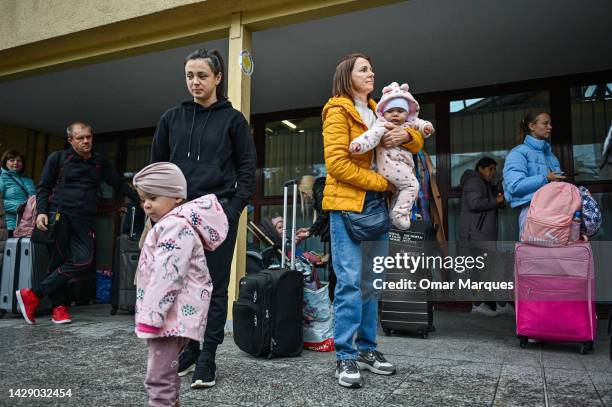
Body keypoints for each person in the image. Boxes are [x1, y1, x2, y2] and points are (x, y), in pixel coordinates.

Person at [150, 48, 256, 389]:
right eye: (189, 76)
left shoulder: (234, 120)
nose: (195, 82)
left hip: (216, 214)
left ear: (218, 78)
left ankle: (208, 354)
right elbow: (157, 170)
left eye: (202, 76)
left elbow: (247, 170)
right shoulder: (171, 118)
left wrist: (233, 209)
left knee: (213, 286)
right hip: (178, 217)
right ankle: (191, 348)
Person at [322, 53, 424, 388]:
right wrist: (384, 183)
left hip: (377, 208)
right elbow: (337, 164)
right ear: (346, 76)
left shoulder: (382, 108)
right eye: (364, 69)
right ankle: (344, 355)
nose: (372, 72)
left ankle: (367, 349)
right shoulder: (337, 109)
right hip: (348, 206)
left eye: (372, 68)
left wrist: (407, 138)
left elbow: (416, 131)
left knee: (372, 282)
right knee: (351, 283)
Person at [15, 121, 139, 325]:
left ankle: (33, 295)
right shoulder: (58, 158)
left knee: (83, 260)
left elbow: (116, 183)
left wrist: (139, 199)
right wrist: (41, 212)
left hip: (85, 219)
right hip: (59, 215)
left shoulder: (99, 162)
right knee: (57, 262)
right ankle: (59, 308)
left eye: (88, 136)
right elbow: (44, 187)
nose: (86, 141)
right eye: (80, 138)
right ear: (71, 140)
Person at [132, 162, 228, 407]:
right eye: (143, 198)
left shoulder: (174, 226)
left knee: (158, 379)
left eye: (152, 197)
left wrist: (151, 315)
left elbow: (168, 275)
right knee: (166, 375)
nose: (146, 204)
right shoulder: (172, 224)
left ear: (177, 196)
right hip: (171, 315)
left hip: (166, 317)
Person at [349, 82, 434, 229]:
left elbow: (419, 124)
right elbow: (370, 136)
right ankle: (400, 213)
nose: (395, 114)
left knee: (400, 191)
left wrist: (426, 127)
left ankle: (394, 213)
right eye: (391, 111)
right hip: (390, 165)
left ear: (407, 113)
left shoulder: (408, 124)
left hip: (401, 166)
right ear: (383, 113)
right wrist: (359, 145)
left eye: (400, 111)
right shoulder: (382, 125)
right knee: (412, 185)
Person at [459, 157, 513, 316]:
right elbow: (474, 204)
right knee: (486, 269)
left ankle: (491, 304)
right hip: (476, 235)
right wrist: (495, 200)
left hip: (481, 234)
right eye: (490, 169)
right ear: (480, 169)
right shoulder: (474, 182)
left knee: (487, 269)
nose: (492, 173)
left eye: (493, 170)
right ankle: (482, 304)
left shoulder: (483, 183)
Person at [503, 111, 564, 237]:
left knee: (558, 256)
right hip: (532, 213)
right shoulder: (517, 153)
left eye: (550, 123)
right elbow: (514, 186)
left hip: (556, 212)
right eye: (545, 123)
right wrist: (546, 178)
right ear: (532, 126)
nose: (550, 127)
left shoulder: (550, 155)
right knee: (536, 256)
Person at [0, 150, 36, 236]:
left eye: (19, 160)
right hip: (9, 225)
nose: (16, 163)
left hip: (27, 226)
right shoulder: (2, 178)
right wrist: (20, 207)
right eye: (12, 160)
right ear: (5, 162)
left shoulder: (29, 181)